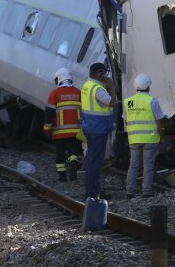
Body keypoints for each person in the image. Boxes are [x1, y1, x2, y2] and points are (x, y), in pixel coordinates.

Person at [124, 73, 166, 198]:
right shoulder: (152, 101)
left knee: (133, 165)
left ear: (135, 87)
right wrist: (161, 136)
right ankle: (147, 191)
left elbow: (126, 120)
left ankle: (130, 191)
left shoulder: (128, 101)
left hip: (134, 138)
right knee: (148, 165)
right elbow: (160, 122)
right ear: (148, 87)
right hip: (150, 138)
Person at [80, 62, 117, 200]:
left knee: (92, 161)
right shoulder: (98, 89)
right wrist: (112, 87)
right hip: (98, 129)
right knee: (95, 162)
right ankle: (92, 194)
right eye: (104, 73)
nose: (105, 76)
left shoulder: (87, 85)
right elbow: (111, 102)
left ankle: (93, 191)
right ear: (99, 73)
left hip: (90, 127)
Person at [44, 67, 84, 182]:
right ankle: (73, 162)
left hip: (59, 132)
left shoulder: (55, 93)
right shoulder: (78, 92)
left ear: (59, 79)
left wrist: (47, 128)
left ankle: (62, 176)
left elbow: (49, 113)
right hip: (75, 131)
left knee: (60, 153)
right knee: (73, 151)